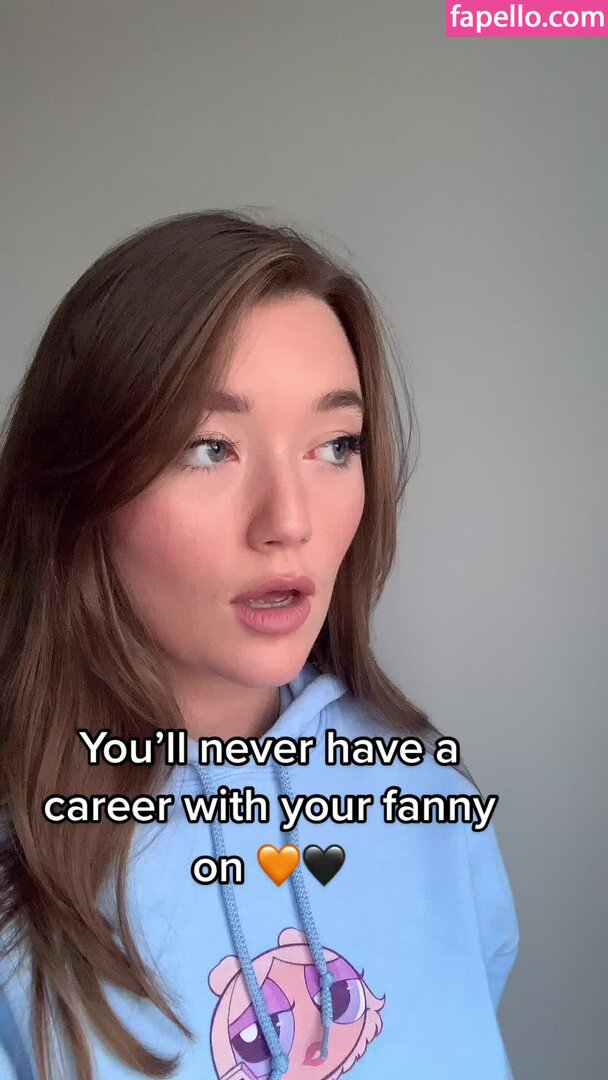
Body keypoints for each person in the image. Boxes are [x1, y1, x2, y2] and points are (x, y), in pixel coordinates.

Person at [0, 209, 519, 1080]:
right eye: (210, 448)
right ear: (82, 488)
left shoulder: (429, 802)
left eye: (335, 445)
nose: (290, 522)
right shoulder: (24, 873)